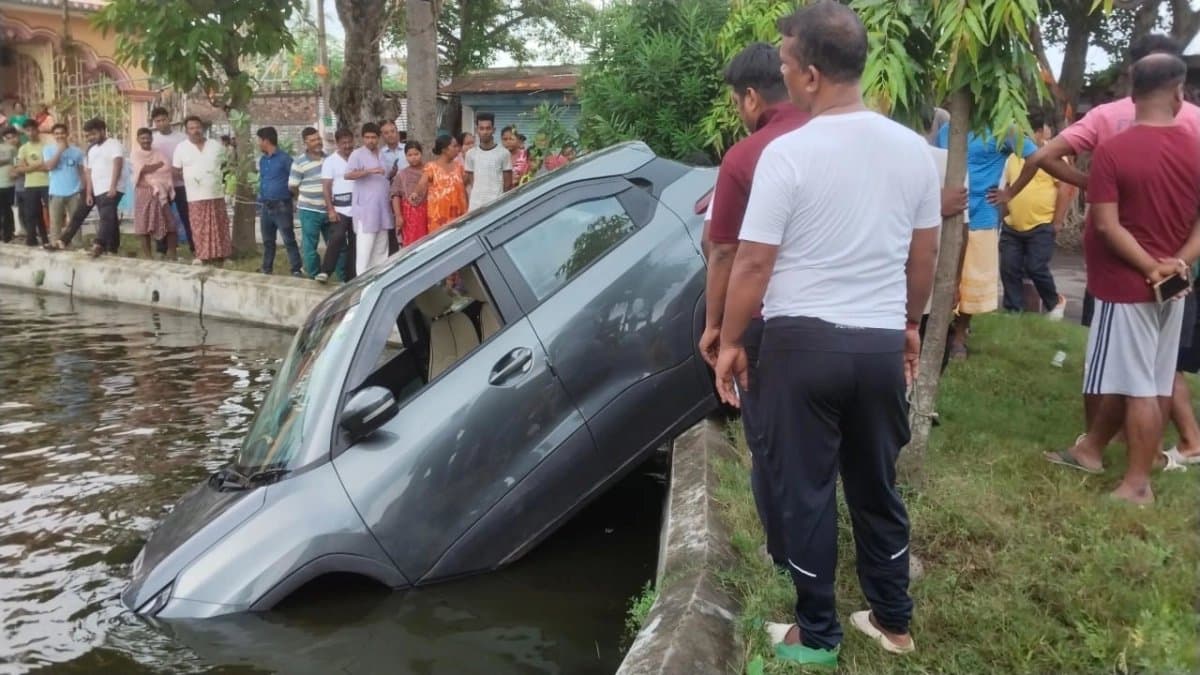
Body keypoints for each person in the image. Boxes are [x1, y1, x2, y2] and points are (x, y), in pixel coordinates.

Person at [713, 2, 940, 663]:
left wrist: (729, 341)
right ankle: (893, 621)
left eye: (785, 62)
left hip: (799, 346)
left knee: (804, 488)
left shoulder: (788, 154)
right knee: (876, 484)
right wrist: (908, 323)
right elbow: (920, 258)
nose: (782, 74)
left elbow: (752, 262)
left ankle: (816, 634)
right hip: (875, 343)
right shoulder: (916, 153)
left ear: (810, 75)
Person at [993, 34, 1200, 467]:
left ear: (1132, 80)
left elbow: (1099, 215)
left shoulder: (1111, 131)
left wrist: (1097, 188)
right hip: (1177, 270)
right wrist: (1178, 262)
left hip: (1121, 272)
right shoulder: (1194, 131)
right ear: (1179, 90)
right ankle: (1149, 452)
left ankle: (1124, 469)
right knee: (1160, 372)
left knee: (1117, 370)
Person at [1053, 54, 1200, 505]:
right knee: (1154, 382)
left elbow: (1107, 225)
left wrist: (1147, 266)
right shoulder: (1197, 148)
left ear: (1131, 96)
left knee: (1137, 385)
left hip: (1124, 285)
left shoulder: (1112, 151)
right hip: (1174, 286)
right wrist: (1176, 263)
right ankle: (1094, 452)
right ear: (1179, 94)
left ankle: (1137, 484)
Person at [698, 41, 810, 570]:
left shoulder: (746, 156)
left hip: (770, 322)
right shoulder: (834, 138)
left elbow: (725, 251)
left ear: (748, 98)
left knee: (769, 438)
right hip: (855, 324)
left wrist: (718, 327)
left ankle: (783, 552)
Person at [935, 119, 1036, 359]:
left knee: (972, 279)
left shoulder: (1004, 128)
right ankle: (938, 330)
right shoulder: (947, 130)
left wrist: (1009, 193)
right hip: (947, 214)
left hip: (982, 215)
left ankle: (960, 336)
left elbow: (1035, 158)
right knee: (942, 275)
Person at [996, 110, 1070, 316]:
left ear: (1039, 133)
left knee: (1036, 267)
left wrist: (1058, 221)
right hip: (1012, 224)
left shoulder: (1054, 156)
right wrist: (1001, 219)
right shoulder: (1011, 156)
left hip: (1042, 224)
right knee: (1009, 268)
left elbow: (1065, 189)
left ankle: (1054, 302)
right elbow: (1007, 186)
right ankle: (1013, 311)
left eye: (1027, 134)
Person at [173, 116, 230, 265]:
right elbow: (176, 170)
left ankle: (221, 255)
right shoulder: (181, 148)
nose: (195, 131)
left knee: (219, 224)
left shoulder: (215, 145)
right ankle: (202, 255)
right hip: (195, 195)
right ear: (187, 131)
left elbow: (226, 166)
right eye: (191, 128)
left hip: (215, 192)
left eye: (197, 127)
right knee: (199, 227)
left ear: (202, 128)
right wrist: (191, 178)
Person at [344, 122, 392, 273]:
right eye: (367, 137)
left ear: (379, 138)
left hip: (383, 209)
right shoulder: (357, 154)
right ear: (363, 138)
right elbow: (348, 174)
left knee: (381, 252)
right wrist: (368, 171)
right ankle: (362, 289)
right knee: (365, 253)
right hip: (366, 211)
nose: (370, 140)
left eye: (373, 137)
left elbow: (387, 174)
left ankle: (378, 284)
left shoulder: (383, 154)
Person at [255, 126, 302, 276]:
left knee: (288, 239)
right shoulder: (263, 161)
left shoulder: (285, 159)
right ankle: (266, 267)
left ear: (266, 141)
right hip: (266, 205)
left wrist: (294, 199)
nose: (258, 144)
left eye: (259, 140)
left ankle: (296, 268)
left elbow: (295, 179)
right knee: (268, 241)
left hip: (282, 205)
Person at [316, 128, 356, 284]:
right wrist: (330, 209)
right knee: (337, 237)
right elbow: (326, 187)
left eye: (349, 142)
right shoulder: (330, 161)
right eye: (343, 143)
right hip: (339, 208)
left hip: (358, 208)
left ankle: (351, 278)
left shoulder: (357, 157)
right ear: (337, 143)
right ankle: (325, 271)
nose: (347, 146)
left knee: (355, 243)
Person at [81, 118, 125, 256]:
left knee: (106, 216)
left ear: (102, 131)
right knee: (110, 217)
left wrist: (113, 186)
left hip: (112, 187)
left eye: (93, 133)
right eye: (88, 135)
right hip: (98, 189)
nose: (91, 137)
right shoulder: (92, 150)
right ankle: (112, 248)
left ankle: (99, 244)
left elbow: (118, 164)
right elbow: (89, 172)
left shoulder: (114, 144)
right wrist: (89, 193)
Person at [151, 106, 193, 252]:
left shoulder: (182, 138)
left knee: (187, 215)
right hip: (161, 184)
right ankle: (162, 249)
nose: (161, 123)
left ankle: (195, 247)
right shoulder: (153, 140)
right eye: (157, 121)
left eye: (163, 120)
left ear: (169, 119)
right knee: (161, 216)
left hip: (181, 184)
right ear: (154, 123)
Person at [131, 127, 177, 259]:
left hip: (161, 192)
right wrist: (157, 166)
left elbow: (167, 166)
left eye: (148, 138)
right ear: (138, 140)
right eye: (143, 138)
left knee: (169, 222)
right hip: (144, 193)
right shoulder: (136, 154)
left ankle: (172, 254)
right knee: (143, 225)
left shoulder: (158, 152)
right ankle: (148, 257)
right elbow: (142, 169)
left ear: (152, 138)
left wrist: (152, 170)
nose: (146, 140)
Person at [290, 126, 330, 278]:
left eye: (318, 139)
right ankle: (314, 274)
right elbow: (293, 186)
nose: (317, 142)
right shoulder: (299, 162)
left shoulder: (329, 159)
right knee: (310, 246)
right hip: (309, 210)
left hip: (328, 209)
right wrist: (306, 197)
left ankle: (340, 275)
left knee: (334, 244)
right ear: (305, 143)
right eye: (313, 140)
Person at [41, 123, 85, 248]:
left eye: (62, 133)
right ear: (53, 135)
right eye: (56, 133)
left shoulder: (77, 151)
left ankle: (77, 247)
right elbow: (49, 166)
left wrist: (83, 188)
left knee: (75, 222)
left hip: (74, 192)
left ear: (67, 134)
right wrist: (60, 150)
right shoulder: (48, 149)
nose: (59, 135)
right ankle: (55, 245)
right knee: (55, 223)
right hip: (56, 192)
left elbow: (82, 171)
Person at [418, 134, 467, 235]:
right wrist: (415, 193)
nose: (457, 149)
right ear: (444, 149)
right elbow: (422, 183)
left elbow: (463, 188)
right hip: (439, 218)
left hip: (459, 215)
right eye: (454, 146)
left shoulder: (459, 166)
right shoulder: (431, 167)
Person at [464, 113, 512, 211]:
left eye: (488, 128)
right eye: (481, 128)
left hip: (496, 205)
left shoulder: (504, 153)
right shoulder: (470, 154)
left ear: (493, 130)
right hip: (475, 206)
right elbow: (472, 181)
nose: (485, 132)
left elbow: (508, 184)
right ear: (477, 130)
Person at [13, 119, 49, 247]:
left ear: (37, 130)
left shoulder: (46, 146)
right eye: (28, 130)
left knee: (51, 211)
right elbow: (20, 169)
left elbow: (48, 166)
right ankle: (32, 239)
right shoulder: (23, 149)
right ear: (25, 133)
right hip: (30, 185)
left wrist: (29, 167)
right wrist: (39, 164)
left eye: (33, 129)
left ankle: (48, 239)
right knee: (33, 213)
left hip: (47, 183)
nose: (31, 132)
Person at [391, 140, 428, 246]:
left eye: (416, 154)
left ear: (421, 153)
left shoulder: (429, 171)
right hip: (409, 217)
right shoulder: (402, 175)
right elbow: (395, 195)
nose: (413, 157)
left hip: (428, 213)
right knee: (412, 246)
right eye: (410, 155)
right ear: (405, 156)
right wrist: (398, 216)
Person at [379, 120, 404, 254]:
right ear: (382, 136)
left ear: (397, 132)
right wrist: (390, 175)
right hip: (389, 198)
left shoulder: (408, 150)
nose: (390, 135)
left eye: (392, 131)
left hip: (408, 197)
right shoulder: (379, 154)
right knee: (392, 230)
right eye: (386, 133)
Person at [0, 127, 15, 242]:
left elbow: (17, 163)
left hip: (10, 184)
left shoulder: (14, 148)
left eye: (12, 137)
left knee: (7, 210)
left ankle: (8, 235)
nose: (9, 139)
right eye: (7, 137)